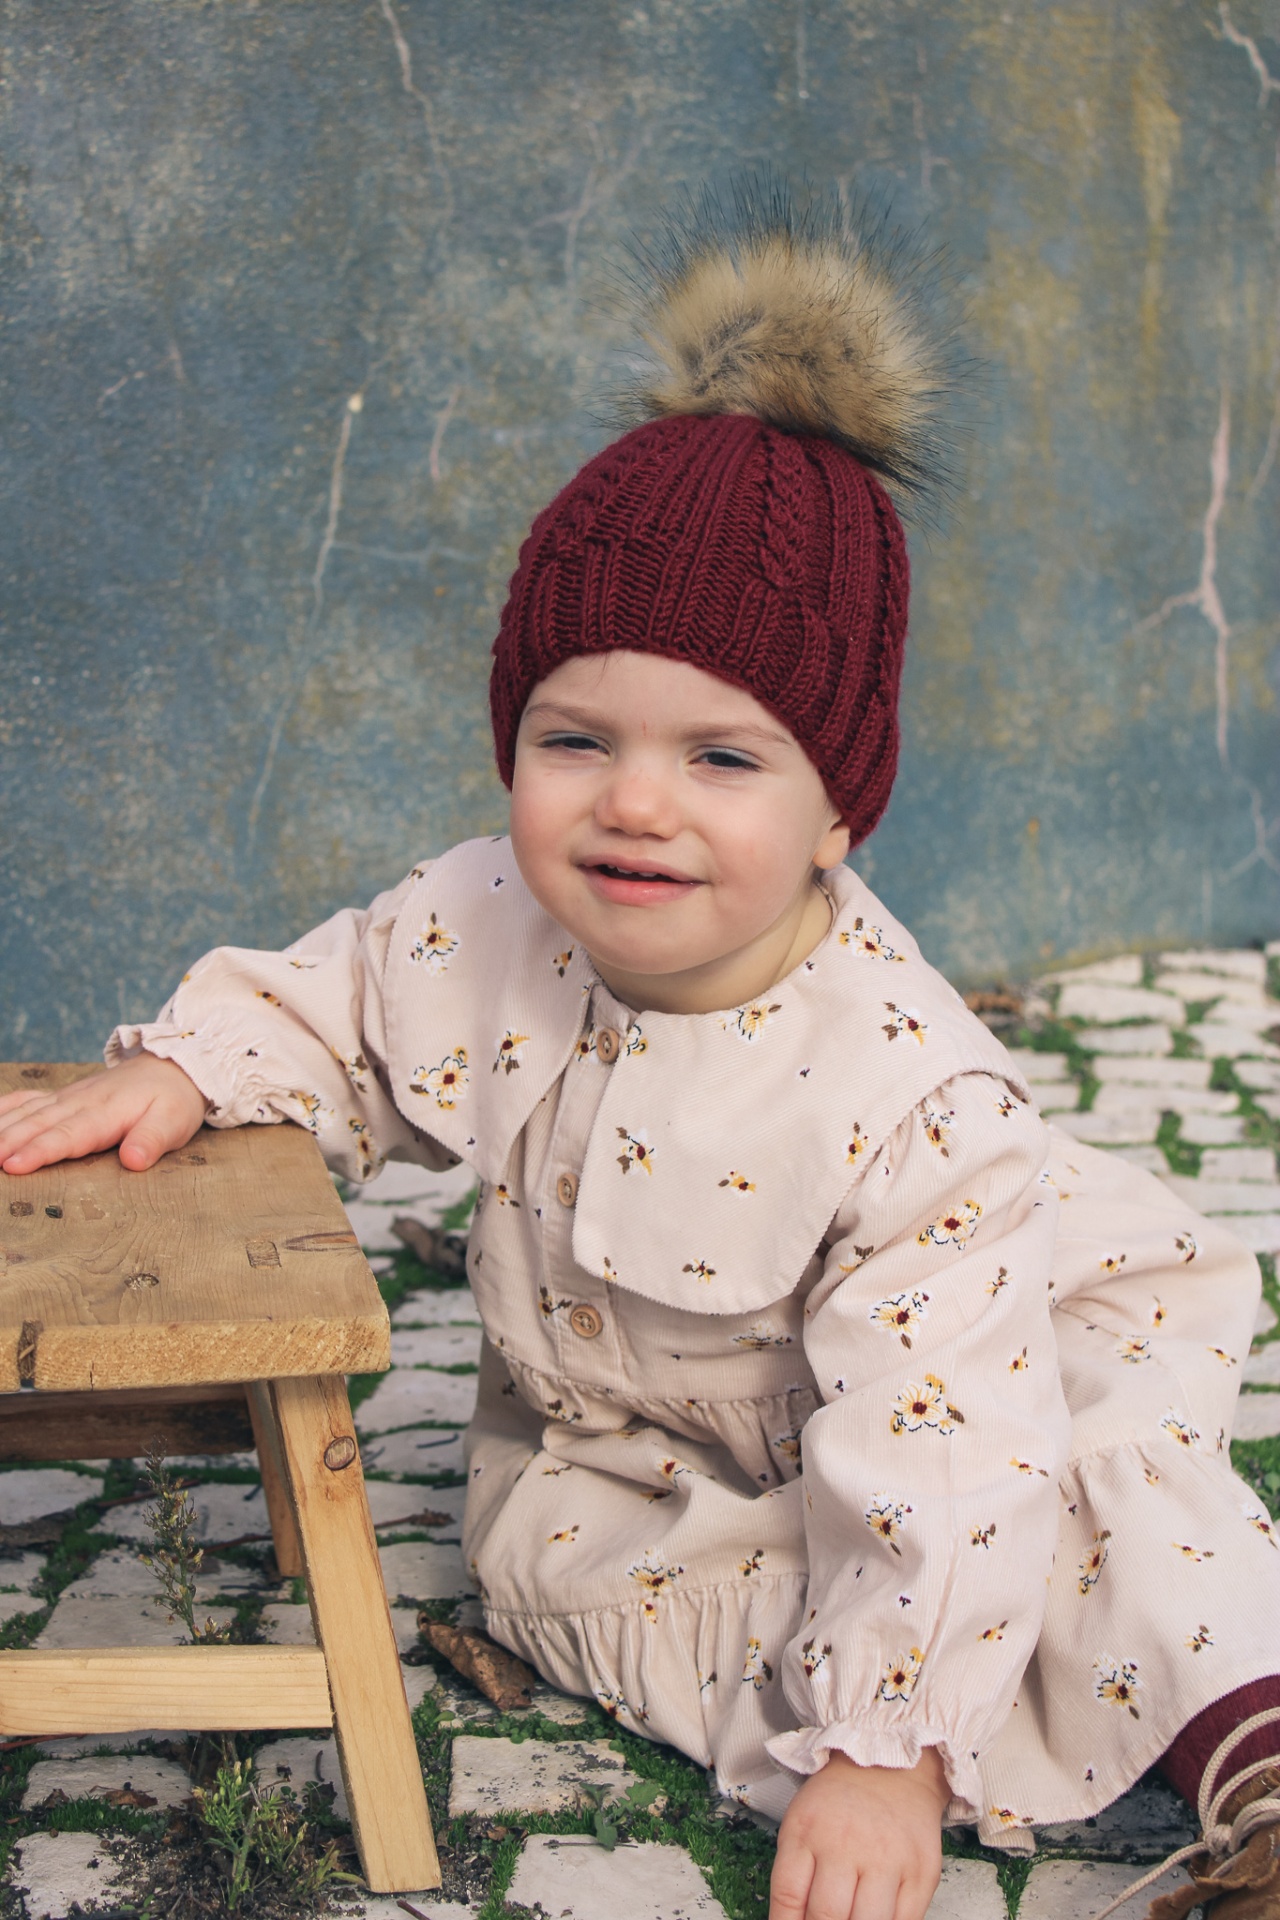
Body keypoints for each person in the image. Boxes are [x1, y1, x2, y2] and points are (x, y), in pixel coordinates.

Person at [3, 183, 1278, 1920]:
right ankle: (935, 1722)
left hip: (973, 1370)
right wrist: (198, 1065)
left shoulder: (912, 1097)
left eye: (725, 760)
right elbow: (345, 996)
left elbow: (948, 1435)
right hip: (652, 1470)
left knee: (1099, 1515)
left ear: (843, 808)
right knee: (616, 1593)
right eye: (573, 734)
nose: (635, 805)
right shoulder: (485, 922)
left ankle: (1252, 1769)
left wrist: (886, 1748)